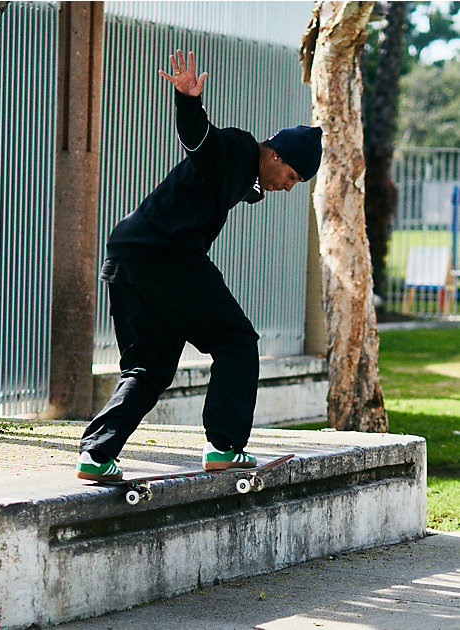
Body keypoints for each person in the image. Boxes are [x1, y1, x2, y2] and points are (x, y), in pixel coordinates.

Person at [76, 50, 322, 482]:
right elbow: (200, 139)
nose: (287, 189)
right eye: (292, 179)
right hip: (168, 258)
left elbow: (239, 185)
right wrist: (189, 101)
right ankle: (225, 446)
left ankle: (96, 454)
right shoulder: (236, 147)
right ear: (278, 157)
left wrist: (254, 189)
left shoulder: (244, 171)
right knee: (237, 342)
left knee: (148, 366)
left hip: (127, 256)